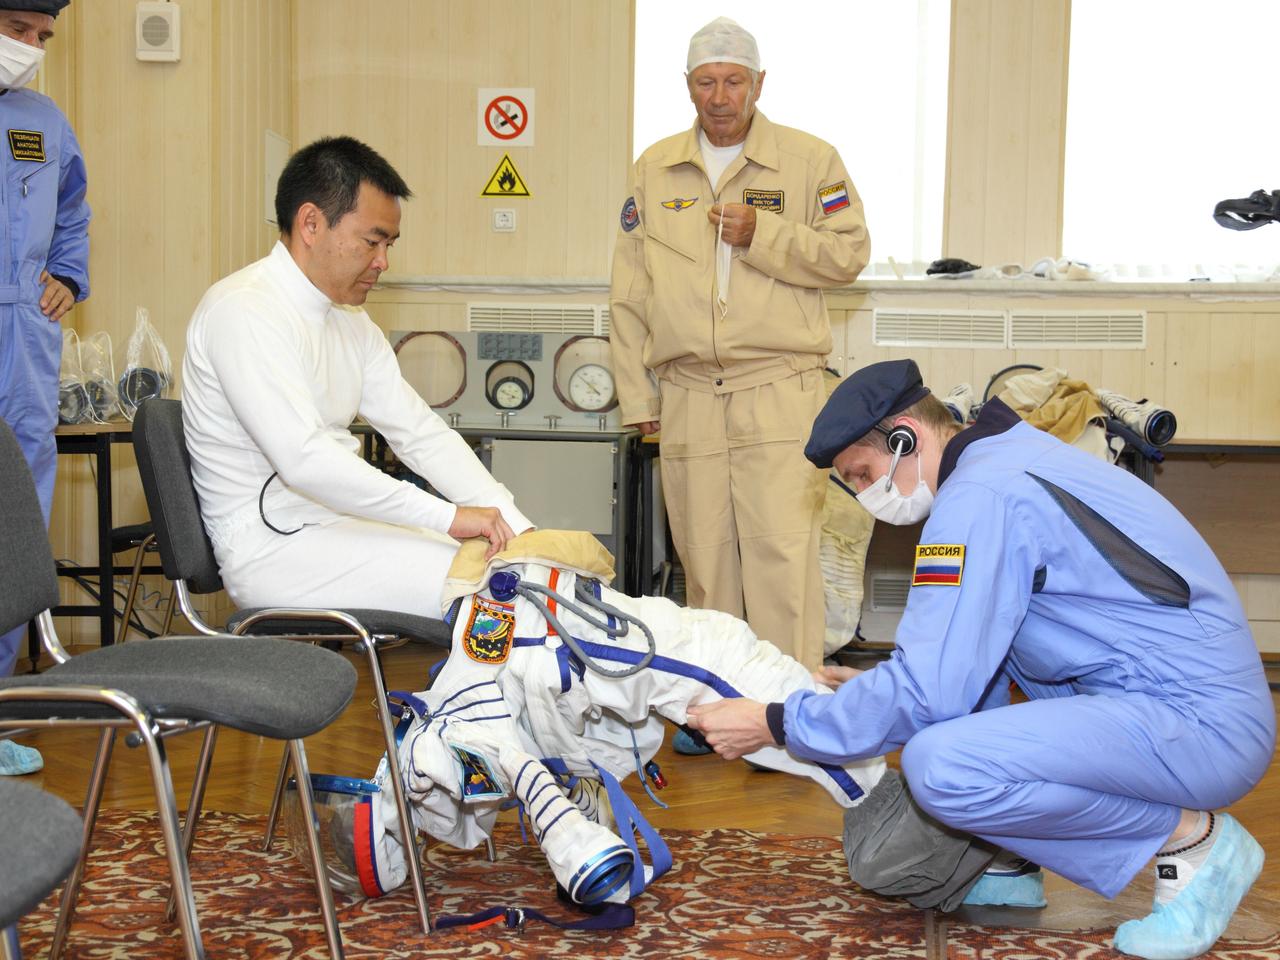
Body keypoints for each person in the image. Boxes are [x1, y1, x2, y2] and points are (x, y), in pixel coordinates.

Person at [686, 358, 1276, 960]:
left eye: (863, 474)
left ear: (904, 437)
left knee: (942, 768)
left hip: (1200, 725)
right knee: (947, 730)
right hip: (1169, 705)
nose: (866, 497)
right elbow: (972, 670)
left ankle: (1190, 843)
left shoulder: (979, 499)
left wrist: (777, 723)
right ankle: (1016, 858)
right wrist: (878, 687)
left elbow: (929, 690)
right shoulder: (1005, 460)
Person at [337, 529, 885, 904]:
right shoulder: (446, 733)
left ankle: (879, 795)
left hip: (517, 604)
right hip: (498, 619)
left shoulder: (440, 734)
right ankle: (878, 788)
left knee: (713, 658)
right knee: (676, 667)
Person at [609, 16, 870, 679]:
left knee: (783, 557)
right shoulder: (655, 168)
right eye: (706, 82)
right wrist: (636, 394)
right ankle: (715, 700)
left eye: (733, 81)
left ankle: (787, 706)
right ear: (688, 87)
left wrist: (767, 232)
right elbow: (629, 291)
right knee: (705, 557)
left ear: (759, 84)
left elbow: (849, 255)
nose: (720, 96)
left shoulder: (811, 161)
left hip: (779, 386)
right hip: (690, 391)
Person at [182, 136, 532, 620]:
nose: (383, 261)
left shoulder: (349, 322)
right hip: (273, 548)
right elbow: (304, 460)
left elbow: (420, 434)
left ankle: (668, 667)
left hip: (336, 526)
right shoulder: (244, 309)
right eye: (373, 241)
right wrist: (449, 517)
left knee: (521, 567)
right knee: (500, 587)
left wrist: (516, 525)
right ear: (311, 223)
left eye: (389, 244)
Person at [0, 0, 89, 777]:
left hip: (22, 339)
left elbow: (70, 207)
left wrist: (65, 275)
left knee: (16, 515)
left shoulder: (42, 119)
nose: (29, 48)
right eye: (17, 30)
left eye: (41, 38)